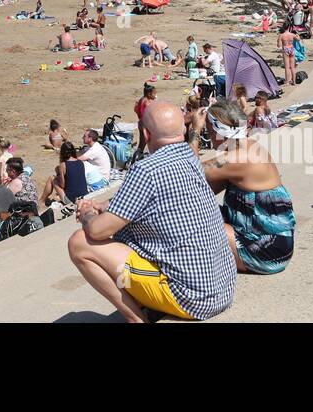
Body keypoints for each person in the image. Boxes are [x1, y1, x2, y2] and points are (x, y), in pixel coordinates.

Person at [67, 102, 235, 322]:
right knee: (128, 233)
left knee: (80, 242)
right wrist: (105, 205)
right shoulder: (190, 157)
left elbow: (98, 231)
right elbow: (153, 199)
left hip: (193, 299)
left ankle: (135, 318)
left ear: (145, 134)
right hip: (222, 288)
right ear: (182, 131)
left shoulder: (146, 169)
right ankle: (146, 302)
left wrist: (87, 213)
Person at [190, 100, 294, 274]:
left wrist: (194, 131)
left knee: (190, 223)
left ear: (218, 132)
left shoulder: (235, 159)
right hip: (277, 243)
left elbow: (187, 172)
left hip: (265, 253)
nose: (206, 133)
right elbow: (201, 189)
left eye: (208, 130)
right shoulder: (250, 145)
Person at [133, 82, 157, 157]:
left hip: (142, 123)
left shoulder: (142, 99)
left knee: (142, 143)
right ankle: (136, 158)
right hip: (145, 125)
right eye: (154, 94)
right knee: (143, 143)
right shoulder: (147, 102)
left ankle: (137, 157)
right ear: (149, 94)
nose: (155, 95)